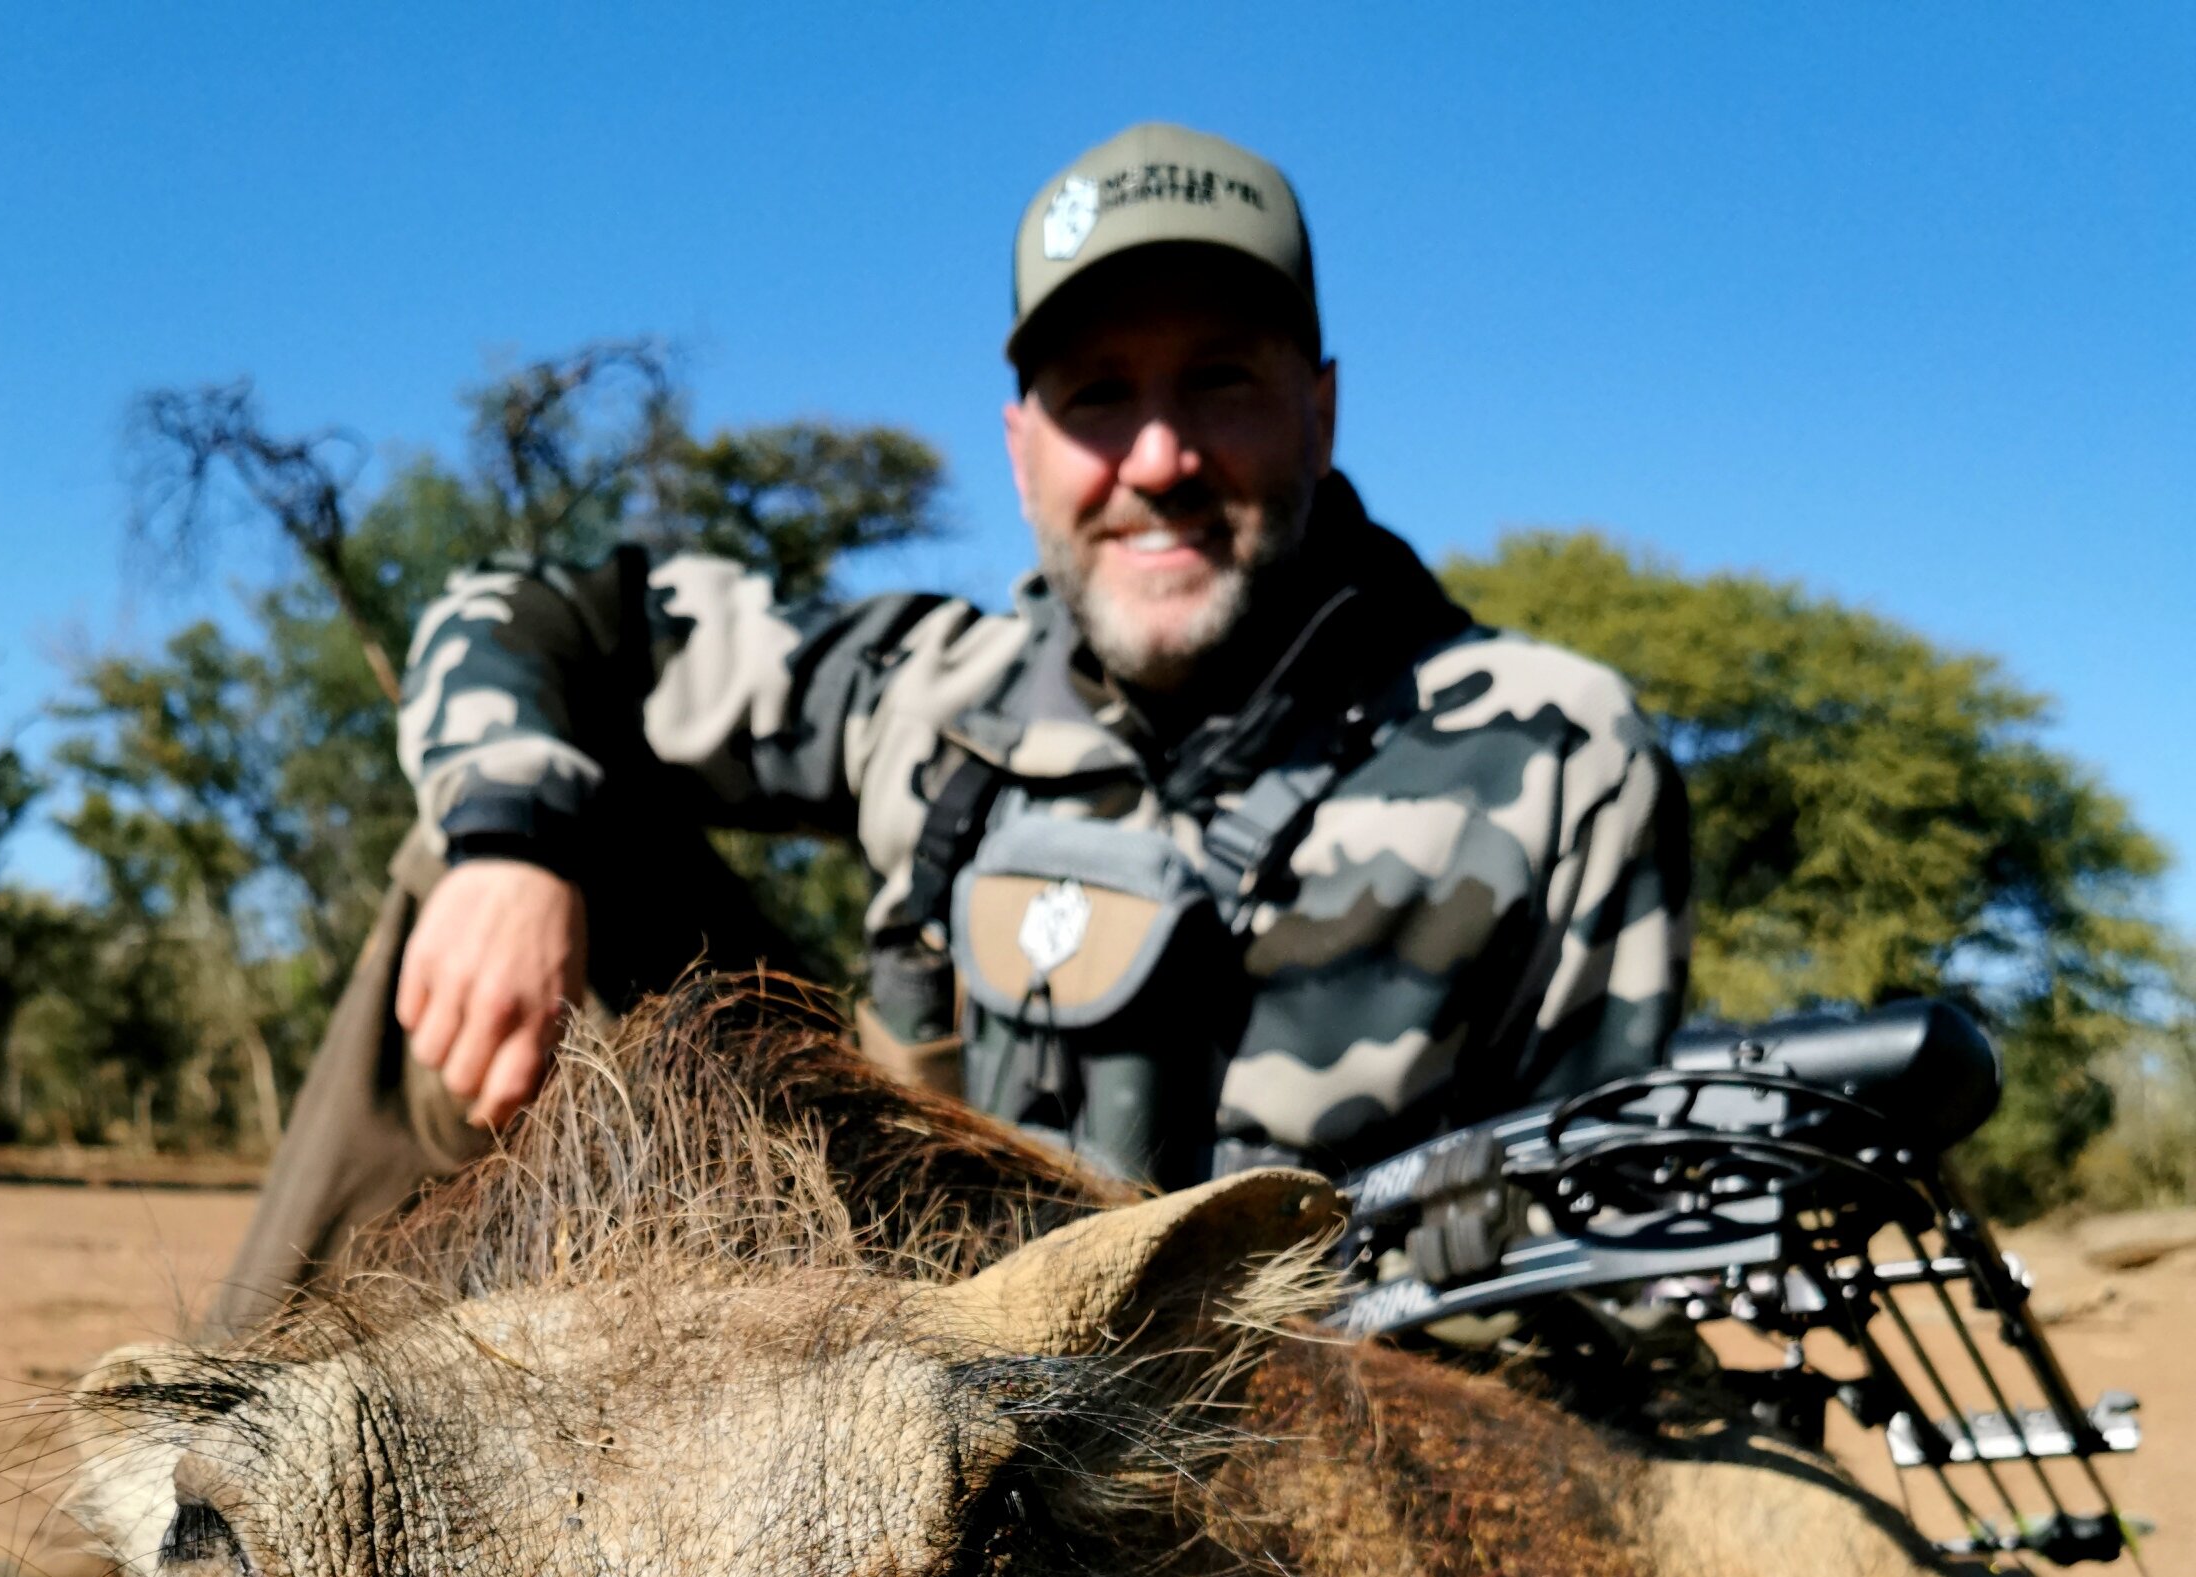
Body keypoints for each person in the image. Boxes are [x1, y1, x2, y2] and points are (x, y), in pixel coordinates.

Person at [207, 116, 1694, 1324]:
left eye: (1221, 383)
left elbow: (1605, 1294)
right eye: (1097, 395)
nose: (1158, 456)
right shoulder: (932, 692)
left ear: (1320, 407)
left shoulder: (1554, 753)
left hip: (1312, 1454)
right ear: (1021, 445)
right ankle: (218, 1524)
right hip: (902, 1366)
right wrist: (507, 844)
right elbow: (522, 616)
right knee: (495, 843)